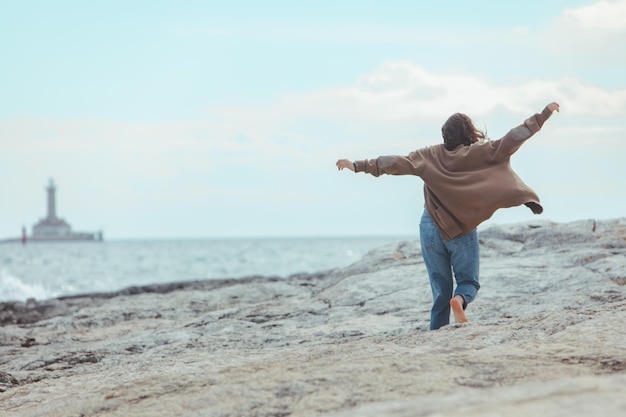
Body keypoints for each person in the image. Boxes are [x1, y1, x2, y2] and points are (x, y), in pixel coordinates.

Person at [336, 102, 560, 330]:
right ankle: (460, 300)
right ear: (469, 132)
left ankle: (437, 332)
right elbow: (514, 136)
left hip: (429, 227)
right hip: (461, 229)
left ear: (446, 135)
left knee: (440, 290)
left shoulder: (429, 155)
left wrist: (357, 165)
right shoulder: (483, 151)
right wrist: (543, 115)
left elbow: (395, 163)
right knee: (468, 282)